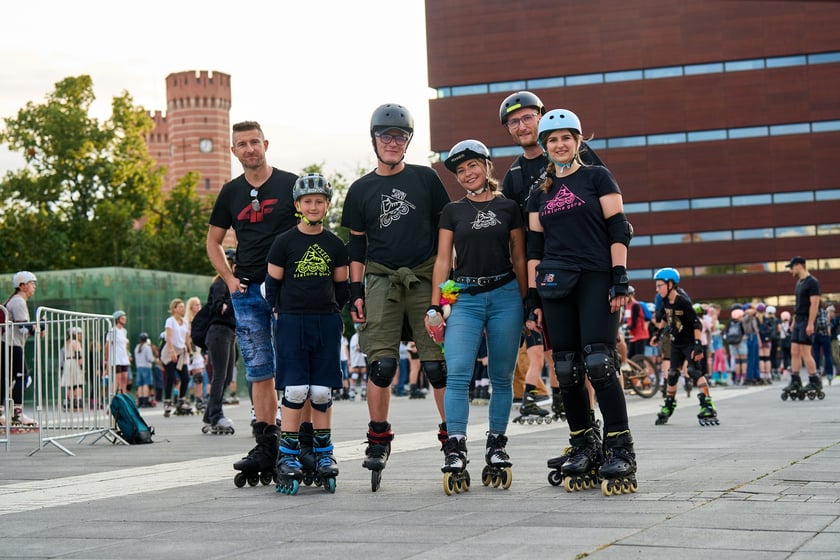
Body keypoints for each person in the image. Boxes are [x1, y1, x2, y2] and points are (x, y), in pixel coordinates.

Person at [524, 109, 636, 495]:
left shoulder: (596, 177)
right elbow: (534, 248)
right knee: (567, 367)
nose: (560, 144)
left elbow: (617, 225)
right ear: (545, 147)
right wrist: (533, 298)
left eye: (566, 138)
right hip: (555, 284)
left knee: (599, 362)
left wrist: (619, 276)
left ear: (578, 140)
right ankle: (584, 443)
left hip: (595, 276)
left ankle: (619, 446)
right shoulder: (540, 191)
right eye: (552, 140)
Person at [341, 103, 450, 486]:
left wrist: (446, 287)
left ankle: (451, 437)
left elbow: (446, 235)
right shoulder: (360, 190)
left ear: (408, 142)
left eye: (399, 137)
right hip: (381, 282)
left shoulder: (426, 179)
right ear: (374, 140)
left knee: (436, 366)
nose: (392, 142)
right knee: (382, 367)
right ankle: (378, 437)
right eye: (386, 136)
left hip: (424, 279)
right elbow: (356, 247)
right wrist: (355, 291)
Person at [499, 91, 606, 426]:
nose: (521, 125)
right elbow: (519, 239)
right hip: (548, 274)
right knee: (565, 360)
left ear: (541, 117)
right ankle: (582, 434)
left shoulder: (578, 152)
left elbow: (607, 209)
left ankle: (600, 428)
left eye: (527, 117)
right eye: (514, 121)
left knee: (598, 359)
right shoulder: (514, 176)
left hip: (589, 268)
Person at [428, 139, 526, 490]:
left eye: (473, 166)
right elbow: (442, 261)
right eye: (460, 170)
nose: (467, 174)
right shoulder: (452, 211)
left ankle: (496, 445)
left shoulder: (509, 207)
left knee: (502, 376)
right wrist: (435, 304)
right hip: (465, 297)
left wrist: (528, 302)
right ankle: (455, 447)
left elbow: (518, 256)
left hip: (506, 295)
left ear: (486, 166)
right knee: (456, 374)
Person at [206, 121, 298, 482]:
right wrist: (229, 280)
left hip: (288, 290)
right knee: (259, 369)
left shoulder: (290, 183)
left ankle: (300, 442)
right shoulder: (230, 192)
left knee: (293, 367)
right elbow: (213, 241)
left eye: (254, 142)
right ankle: (266, 443)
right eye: (241, 144)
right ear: (234, 151)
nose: (249, 149)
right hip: (247, 292)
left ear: (266, 144)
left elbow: (312, 226)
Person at [265, 173, 349, 494]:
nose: (314, 206)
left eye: (319, 201)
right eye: (308, 201)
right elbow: (272, 284)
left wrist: (333, 309)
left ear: (327, 205)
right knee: (297, 389)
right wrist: (278, 310)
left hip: (325, 320)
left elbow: (342, 286)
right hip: (291, 320)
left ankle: (324, 454)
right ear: (298, 205)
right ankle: (287, 456)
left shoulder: (335, 244)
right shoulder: (284, 242)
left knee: (322, 392)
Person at [652, 268, 718, 426]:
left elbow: (697, 323)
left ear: (670, 284)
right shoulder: (665, 301)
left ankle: (707, 404)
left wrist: (697, 344)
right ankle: (669, 404)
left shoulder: (683, 301)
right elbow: (664, 317)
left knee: (693, 371)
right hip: (676, 343)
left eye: (659, 285)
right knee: (673, 374)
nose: (657, 289)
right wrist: (658, 333)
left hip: (689, 343)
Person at [202, 248, 238, 433]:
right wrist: (235, 300)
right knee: (219, 376)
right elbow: (219, 309)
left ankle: (209, 413)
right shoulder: (220, 284)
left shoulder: (231, 284)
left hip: (229, 332)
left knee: (228, 376)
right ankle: (216, 415)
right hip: (218, 331)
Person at [1, 272, 42, 427]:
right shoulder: (18, 301)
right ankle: (16, 414)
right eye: (32, 283)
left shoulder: (16, 300)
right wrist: (39, 326)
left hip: (10, 343)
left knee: (6, 379)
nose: (34, 286)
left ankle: (5, 412)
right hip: (12, 344)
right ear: (22, 286)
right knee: (22, 378)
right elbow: (23, 325)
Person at [781, 256, 825, 400]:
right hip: (799, 320)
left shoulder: (813, 282)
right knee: (794, 351)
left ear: (799, 266)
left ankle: (814, 380)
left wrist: (811, 323)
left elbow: (815, 303)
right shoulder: (799, 283)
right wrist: (794, 320)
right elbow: (798, 304)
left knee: (805, 351)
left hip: (807, 320)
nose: (791, 271)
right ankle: (795, 380)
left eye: (792, 267)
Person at [161, 299, 192, 416]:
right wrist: (172, 351)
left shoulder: (185, 322)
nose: (182, 309)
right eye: (180, 307)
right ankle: (167, 403)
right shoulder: (170, 321)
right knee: (170, 378)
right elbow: (168, 337)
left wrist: (189, 350)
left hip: (182, 352)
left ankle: (181, 400)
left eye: (183, 307)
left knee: (185, 378)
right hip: (170, 352)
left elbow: (186, 338)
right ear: (174, 309)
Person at [104, 310, 131, 395]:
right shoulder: (113, 331)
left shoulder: (124, 331)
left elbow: (125, 345)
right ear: (118, 319)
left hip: (124, 358)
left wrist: (128, 355)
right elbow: (107, 345)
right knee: (117, 379)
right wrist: (107, 360)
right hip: (116, 358)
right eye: (122, 318)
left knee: (125, 378)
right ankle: (113, 397)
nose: (124, 319)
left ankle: (124, 397)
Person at [60, 327, 85, 411]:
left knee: (69, 385)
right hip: (74, 362)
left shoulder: (66, 343)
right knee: (78, 384)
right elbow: (78, 355)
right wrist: (82, 367)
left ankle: (68, 404)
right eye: (79, 334)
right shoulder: (76, 343)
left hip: (67, 363)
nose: (80, 336)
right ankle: (77, 404)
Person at [624, 286, 650, 358]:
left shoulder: (636, 305)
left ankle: (642, 369)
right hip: (632, 335)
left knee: (638, 357)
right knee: (630, 357)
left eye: (627, 295)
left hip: (640, 334)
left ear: (631, 295)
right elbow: (627, 320)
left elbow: (634, 321)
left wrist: (629, 329)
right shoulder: (626, 306)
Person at [133, 332, 156, 408]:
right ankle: (145, 400)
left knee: (140, 384)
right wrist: (155, 360)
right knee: (146, 384)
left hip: (139, 367)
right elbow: (149, 358)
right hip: (146, 367)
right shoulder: (147, 347)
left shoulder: (137, 347)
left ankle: (140, 400)